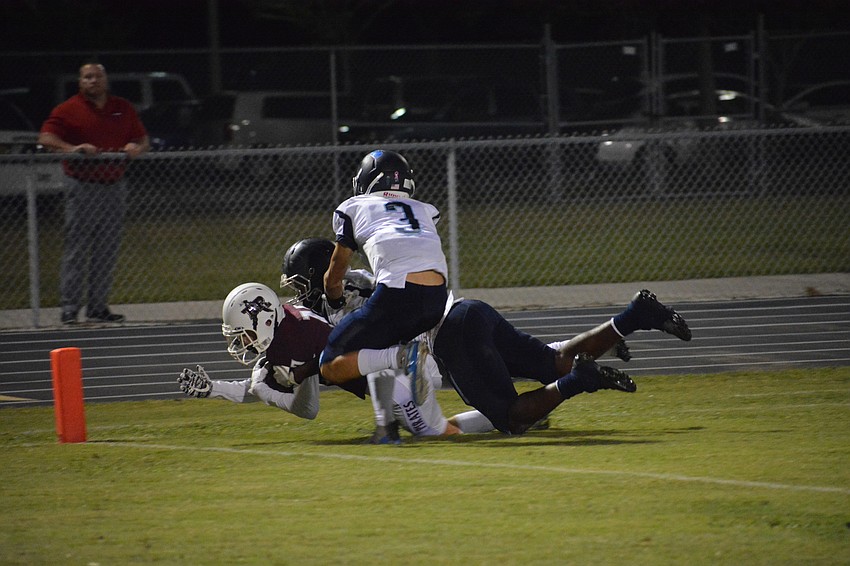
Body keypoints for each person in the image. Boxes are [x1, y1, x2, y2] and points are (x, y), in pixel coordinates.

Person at [282, 237, 692, 437]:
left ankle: (579, 381)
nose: (300, 294)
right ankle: (634, 315)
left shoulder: (341, 310)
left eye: (303, 284)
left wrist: (299, 369)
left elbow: (347, 363)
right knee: (551, 359)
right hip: (467, 309)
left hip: (448, 336)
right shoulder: (362, 282)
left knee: (512, 419)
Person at [178, 281, 488, 438]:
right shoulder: (287, 328)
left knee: (438, 435)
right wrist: (214, 389)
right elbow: (265, 383)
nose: (241, 343)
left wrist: (278, 386)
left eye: (242, 333)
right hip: (389, 367)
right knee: (464, 395)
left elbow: (307, 408)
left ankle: (520, 414)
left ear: (262, 321)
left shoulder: (292, 340)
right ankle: (518, 408)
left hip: (394, 378)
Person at [318, 149, 450, 441]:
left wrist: (333, 295)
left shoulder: (353, 207)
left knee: (330, 363)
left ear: (367, 180)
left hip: (399, 292)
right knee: (376, 351)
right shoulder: (425, 209)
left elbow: (338, 266)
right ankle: (386, 429)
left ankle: (405, 356)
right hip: (436, 296)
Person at [38, 62, 150, 325]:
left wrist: (136, 147)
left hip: (114, 185)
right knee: (77, 248)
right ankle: (69, 308)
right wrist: (73, 148)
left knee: (107, 249)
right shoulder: (67, 109)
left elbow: (143, 140)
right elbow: (45, 138)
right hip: (82, 184)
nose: (93, 81)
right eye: (87, 77)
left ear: (106, 80)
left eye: (98, 77)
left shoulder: (121, 108)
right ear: (80, 82)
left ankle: (98, 306)